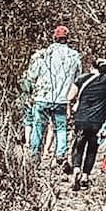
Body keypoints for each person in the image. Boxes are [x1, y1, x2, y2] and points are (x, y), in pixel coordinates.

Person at [67, 58, 106, 190]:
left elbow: (70, 97)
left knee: (78, 145)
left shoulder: (82, 79)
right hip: (98, 121)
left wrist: (72, 108)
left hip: (81, 118)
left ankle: (76, 168)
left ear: (92, 68)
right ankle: (86, 176)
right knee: (92, 148)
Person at [28, 25, 80, 168]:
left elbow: (32, 76)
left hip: (42, 97)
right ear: (67, 39)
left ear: (54, 37)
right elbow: (77, 78)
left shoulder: (44, 54)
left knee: (38, 126)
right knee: (61, 128)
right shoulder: (74, 56)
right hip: (62, 99)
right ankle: (60, 155)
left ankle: (35, 156)